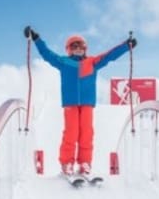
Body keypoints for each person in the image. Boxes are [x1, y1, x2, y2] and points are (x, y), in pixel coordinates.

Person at [24, 25, 137, 178]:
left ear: (85, 48)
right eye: (74, 46)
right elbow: (47, 54)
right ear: (68, 49)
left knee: (86, 133)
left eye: (81, 46)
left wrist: (126, 46)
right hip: (70, 103)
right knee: (71, 132)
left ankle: (85, 163)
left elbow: (109, 56)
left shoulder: (92, 62)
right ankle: (67, 163)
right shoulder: (63, 62)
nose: (78, 48)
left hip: (87, 103)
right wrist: (36, 39)